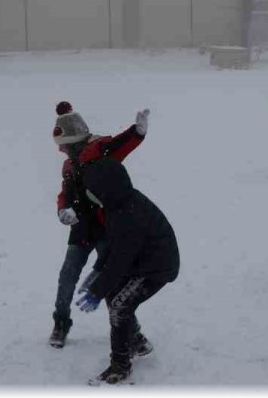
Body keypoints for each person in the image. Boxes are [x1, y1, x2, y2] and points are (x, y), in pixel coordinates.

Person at [75, 127, 180, 386]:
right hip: (141, 261)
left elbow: (121, 259)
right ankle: (137, 341)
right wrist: (98, 270)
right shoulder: (116, 204)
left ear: (104, 188)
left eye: (92, 190)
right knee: (116, 297)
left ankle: (120, 367)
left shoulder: (126, 214)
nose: (90, 195)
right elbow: (113, 247)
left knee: (120, 306)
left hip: (157, 267)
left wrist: (98, 289)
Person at [49, 101, 150, 350]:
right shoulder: (68, 165)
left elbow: (121, 144)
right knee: (67, 277)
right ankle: (61, 323)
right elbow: (65, 193)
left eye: (63, 145)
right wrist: (63, 210)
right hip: (81, 230)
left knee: (111, 281)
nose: (60, 150)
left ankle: (132, 333)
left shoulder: (99, 149)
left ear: (74, 141)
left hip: (107, 229)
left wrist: (137, 132)